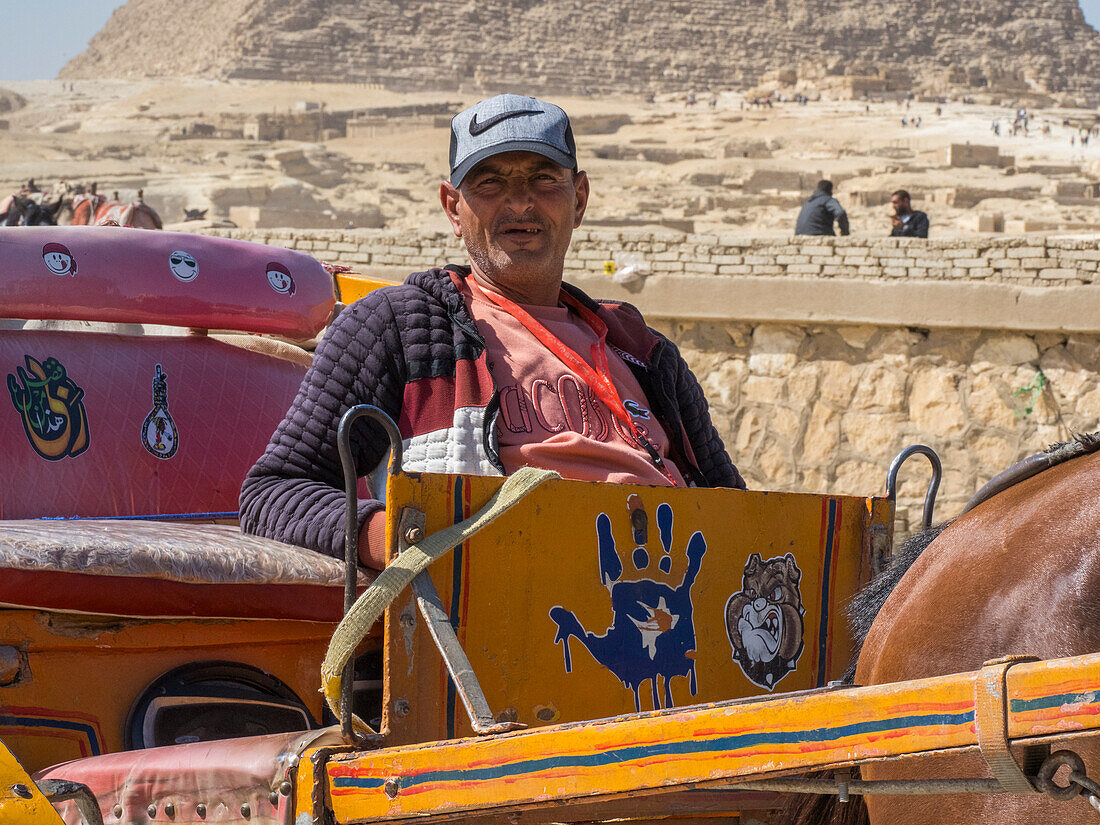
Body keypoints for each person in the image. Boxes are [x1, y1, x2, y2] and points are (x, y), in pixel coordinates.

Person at [239, 94, 746, 569]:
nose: (520, 204)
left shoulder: (643, 353)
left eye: (544, 180)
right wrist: (408, 539)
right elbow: (276, 492)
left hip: (670, 606)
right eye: (490, 184)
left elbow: (741, 517)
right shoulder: (400, 328)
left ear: (580, 198)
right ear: (452, 207)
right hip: (502, 616)